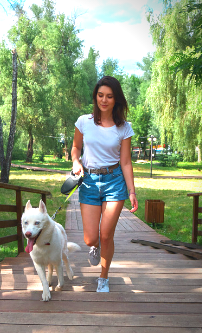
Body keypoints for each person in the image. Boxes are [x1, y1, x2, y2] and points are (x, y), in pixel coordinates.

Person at [71, 76, 138, 293]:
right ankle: (95, 247)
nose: (104, 100)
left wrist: (132, 190)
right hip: (89, 181)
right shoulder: (83, 122)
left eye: (109, 96)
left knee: (106, 234)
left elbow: (126, 162)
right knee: (91, 237)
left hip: (114, 182)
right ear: (95, 96)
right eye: (100, 95)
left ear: (116, 99)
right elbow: (75, 148)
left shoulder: (124, 128)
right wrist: (76, 162)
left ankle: (104, 275)